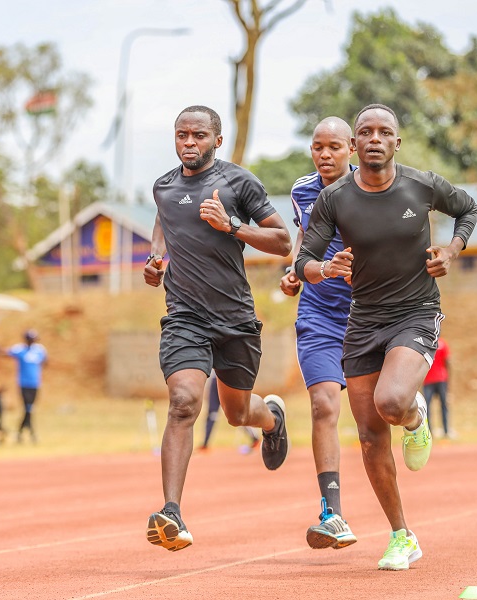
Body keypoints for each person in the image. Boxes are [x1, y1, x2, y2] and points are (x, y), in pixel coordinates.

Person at [295, 103, 477, 570]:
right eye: (365, 132)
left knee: (392, 402)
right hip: (363, 320)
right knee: (371, 436)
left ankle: (415, 417)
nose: (374, 138)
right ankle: (402, 535)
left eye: (385, 132)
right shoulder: (334, 199)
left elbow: (469, 209)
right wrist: (324, 269)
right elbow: (304, 261)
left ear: (397, 142)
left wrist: (451, 252)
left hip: (416, 312)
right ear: (355, 146)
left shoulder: (422, 185)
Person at [143, 105, 292, 552]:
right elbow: (163, 222)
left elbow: (283, 242)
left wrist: (233, 226)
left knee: (236, 414)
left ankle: (271, 418)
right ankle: (171, 511)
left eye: (199, 135)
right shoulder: (164, 187)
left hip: (236, 320)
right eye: (181, 135)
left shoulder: (238, 183)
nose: (189, 143)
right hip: (185, 317)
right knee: (184, 402)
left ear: (216, 140)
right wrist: (155, 260)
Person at [278, 116, 359, 551]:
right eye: (317, 147)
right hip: (319, 315)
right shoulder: (302, 190)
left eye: (333, 147)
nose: (324, 155)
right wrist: (293, 272)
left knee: (381, 412)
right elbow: (304, 238)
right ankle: (333, 514)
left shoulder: (374, 187)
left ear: (351, 148)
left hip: (370, 314)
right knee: (324, 404)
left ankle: (412, 410)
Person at [0, 330, 47, 443]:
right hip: (24, 384)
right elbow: (1, 352)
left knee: (29, 409)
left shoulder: (40, 350)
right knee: (28, 408)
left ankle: (21, 433)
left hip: (35, 384)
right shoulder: (20, 349)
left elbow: (45, 362)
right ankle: (31, 434)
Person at [198, 371, 259, 454]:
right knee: (212, 413)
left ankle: (255, 438)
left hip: (228, 377)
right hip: (215, 378)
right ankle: (205, 444)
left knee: (236, 413)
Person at [422, 337, 452, 438]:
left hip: (428, 379)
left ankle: (429, 431)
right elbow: (447, 362)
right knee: (443, 405)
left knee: (427, 407)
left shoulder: (425, 343)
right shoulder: (443, 344)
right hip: (441, 378)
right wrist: (448, 380)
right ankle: (446, 431)